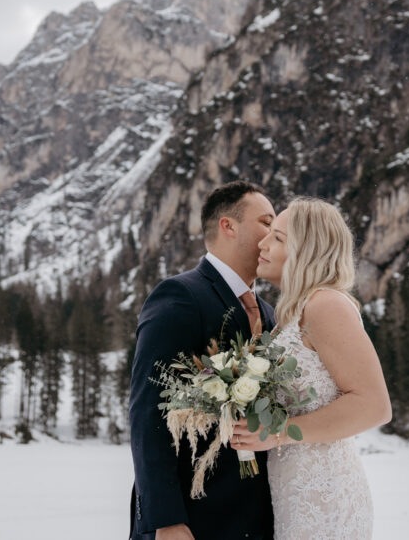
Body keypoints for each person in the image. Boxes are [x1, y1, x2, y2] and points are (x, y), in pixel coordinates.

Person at [231, 197, 392, 540]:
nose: (263, 243)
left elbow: (374, 405)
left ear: (308, 249)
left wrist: (277, 432)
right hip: (293, 490)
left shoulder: (326, 305)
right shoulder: (291, 314)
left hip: (324, 495)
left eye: (277, 238)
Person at [128, 181, 278, 540]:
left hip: (257, 519)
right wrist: (165, 519)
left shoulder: (270, 314)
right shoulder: (181, 295)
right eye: (266, 222)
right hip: (193, 518)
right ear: (228, 226)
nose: (274, 236)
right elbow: (149, 411)